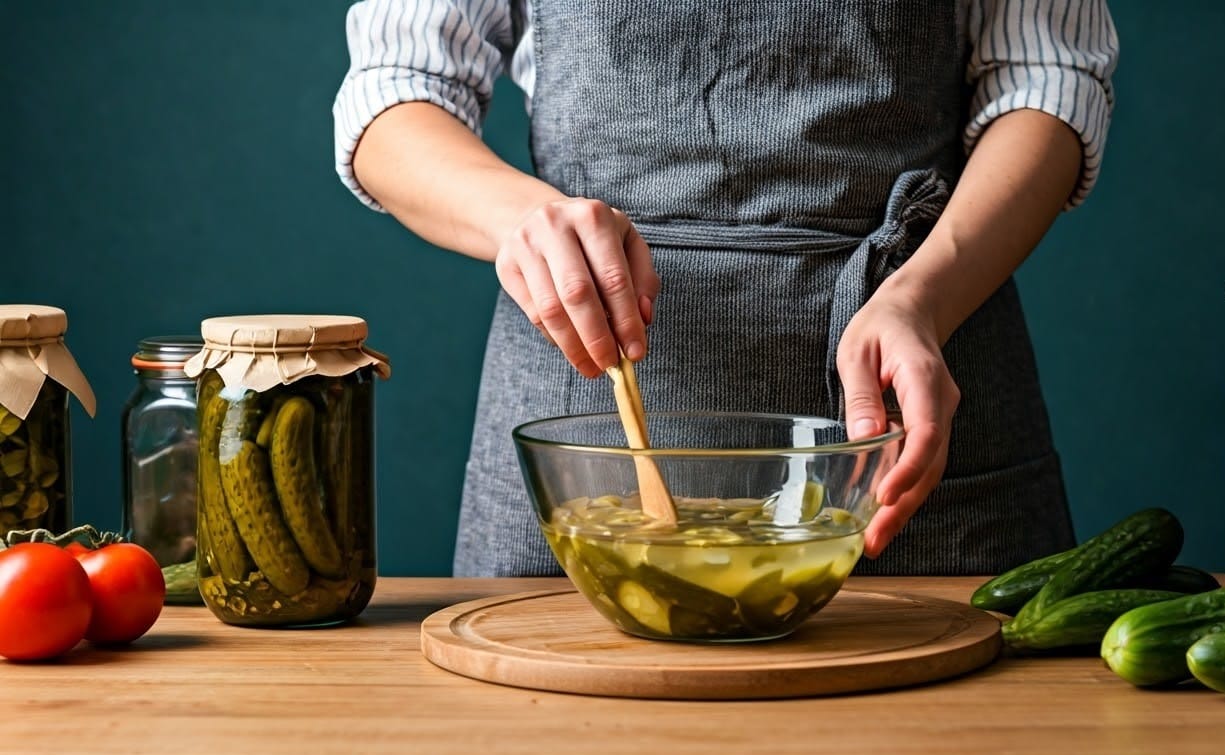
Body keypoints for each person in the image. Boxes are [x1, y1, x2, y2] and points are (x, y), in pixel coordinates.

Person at [332, 0, 1118, 577]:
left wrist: (923, 297)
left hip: (919, 392)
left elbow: (1046, 79)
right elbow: (396, 89)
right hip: (592, 408)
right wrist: (525, 221)